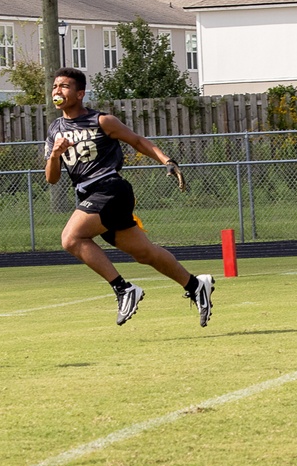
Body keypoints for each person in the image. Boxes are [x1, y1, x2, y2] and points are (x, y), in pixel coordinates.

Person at [44, 67, 214, 327]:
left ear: (80, 94)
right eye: (55, 86)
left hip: (110, 189)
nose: (57, 91)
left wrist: (167, 160)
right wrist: (55, 154)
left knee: (71, 238)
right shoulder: (55, 129)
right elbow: (51, 178)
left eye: (64, 86)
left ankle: (123, 288)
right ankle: (195, 284)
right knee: (145, 254)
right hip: (89, 195)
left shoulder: (102, 121)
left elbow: (137, 141)